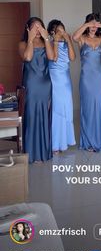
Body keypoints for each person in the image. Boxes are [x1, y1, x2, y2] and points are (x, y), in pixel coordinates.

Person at [73, 13, 101, 151]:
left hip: (99, 78)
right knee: (87, 108)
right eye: (91, 24)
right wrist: (87, 24)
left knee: (98, 108)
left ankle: (97, 140)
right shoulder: (82, 39)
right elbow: (74, 37)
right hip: (86, 79)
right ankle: (87, 141)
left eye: (96, 24)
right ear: (87, 25)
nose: (93, 27)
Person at [19, 17, 54, 163]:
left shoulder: (47, 42)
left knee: (44, 117)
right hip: (31, 84)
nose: (37, 30)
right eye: (34, 27)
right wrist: (31, 40)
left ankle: (44, 152)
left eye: (40, 27)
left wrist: (47, 39)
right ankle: (31, 153)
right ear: (28, 29)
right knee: (31, 115)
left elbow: (52, 57)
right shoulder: (23, 44)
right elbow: (27, 57)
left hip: (45, 84)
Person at [47, 19, 76, 154]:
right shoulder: (50, 44)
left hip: (65, 80)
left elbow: (72, 57)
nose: (61, 32)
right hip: (55, 80)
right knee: (56, 111)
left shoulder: (66, 43)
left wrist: (68, 40)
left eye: (62, 30)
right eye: (58, 30)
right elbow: (54, 58)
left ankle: (64, 142)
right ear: (52, 32)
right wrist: (56, 41)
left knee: (66, 110)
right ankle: (54, 144)